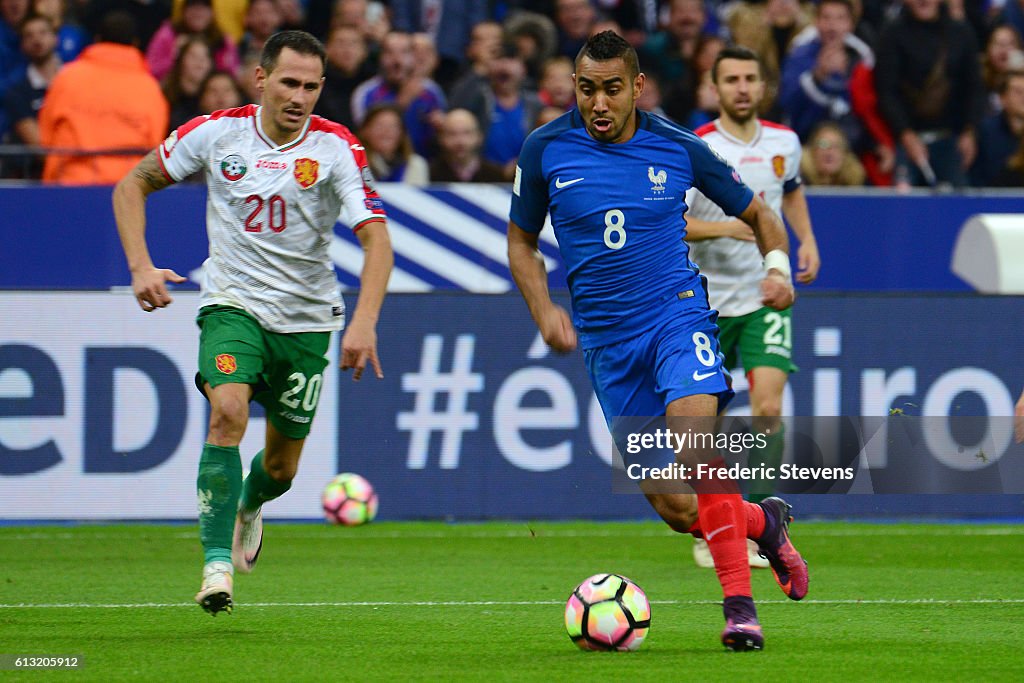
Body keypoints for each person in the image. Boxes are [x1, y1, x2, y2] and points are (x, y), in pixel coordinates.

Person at [507, 30, 808, 652]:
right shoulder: (543, 150)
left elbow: (761, 214)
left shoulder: (677, 146)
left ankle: (739, 609)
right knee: (676, 509)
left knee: (698, 447)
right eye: (586, 89)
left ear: (636, 87)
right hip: (607, 346)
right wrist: (543, 310)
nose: (598, 103)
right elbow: (521, 241)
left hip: (676, 319)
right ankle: (763, 522)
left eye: (611, 89)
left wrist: (777, 268)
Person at [111, 30, 394, 616]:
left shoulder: (337, 148)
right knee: (227, 411)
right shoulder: (216, 134)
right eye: (289, 82)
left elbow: (377, 240)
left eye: (311, 86)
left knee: (281, 468)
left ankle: (248, 503)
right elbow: (131, 184)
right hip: (232, 304)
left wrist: (363, 322)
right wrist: (140, 265)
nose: (299, 96)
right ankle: (216, 567)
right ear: (260, 78)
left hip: (308, 321)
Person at [683, 46, 821, 571]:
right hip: (703, 302)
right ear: (714, 88)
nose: (742, 87)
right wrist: (729, 226)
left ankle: (761, 523)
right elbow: (674, 222)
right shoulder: (695, 146)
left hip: (766, 294)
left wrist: (804, 241)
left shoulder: (784, 142)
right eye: (731, 79)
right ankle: (714, 520)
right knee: (702, 422)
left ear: (762, 86)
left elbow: (791, 193)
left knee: (766, 407)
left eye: (750, 78)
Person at [39, 9, 168, 184]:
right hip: (127, 190)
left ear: (97, 39)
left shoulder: (67, 77)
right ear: (135, 43)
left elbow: (46, 136)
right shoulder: (150, 87)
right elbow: (154, 145)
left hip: (70, 184)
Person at [359, 102, 430, 185]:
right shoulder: (353, 164)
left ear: (402, 133)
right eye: (379, 126)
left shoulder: (415, 165)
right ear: (365, 131)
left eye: (393, 126)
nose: (386, 131)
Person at [429, 107, 505, 182]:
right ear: (441, 138)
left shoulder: (496, 175)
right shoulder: (430, 174)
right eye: (452, 134)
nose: (460, 141)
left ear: (479, 137)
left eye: (467, 133)